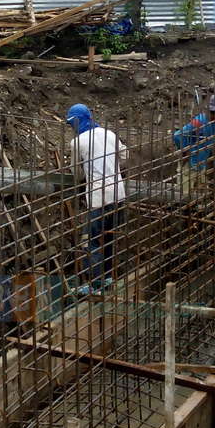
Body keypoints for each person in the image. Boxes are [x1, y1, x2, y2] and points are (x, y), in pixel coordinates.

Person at [67, 103, 129, 291]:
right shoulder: (109, 134)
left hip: (98, 199)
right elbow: (125, 155)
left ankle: (96, 285)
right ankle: (108, 278)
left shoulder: (78, 142)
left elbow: (76, 173)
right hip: (119, 196)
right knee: (109, 238)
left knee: (91, 241)